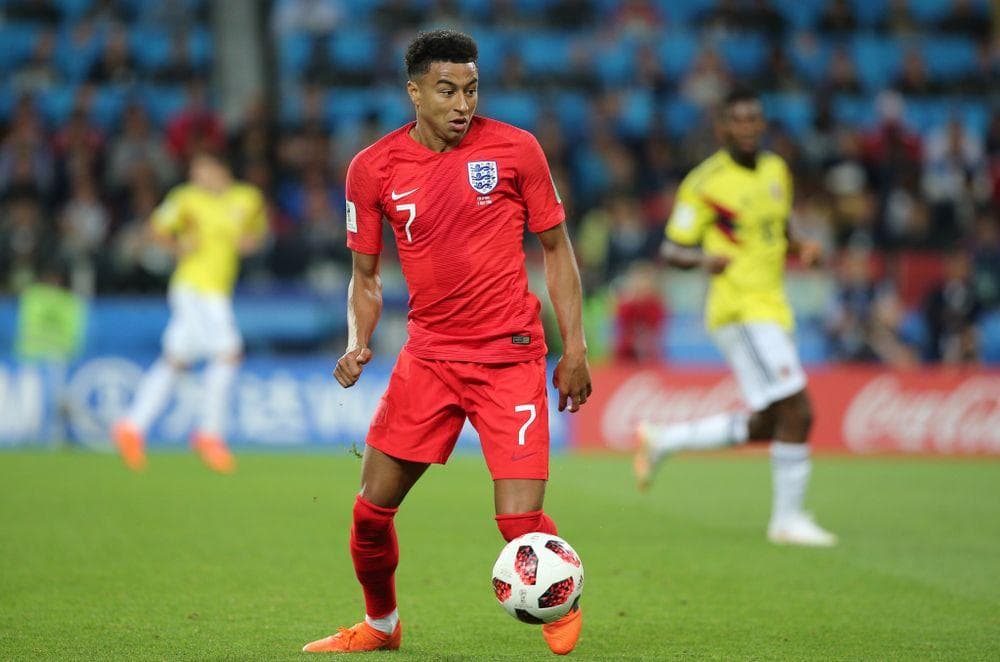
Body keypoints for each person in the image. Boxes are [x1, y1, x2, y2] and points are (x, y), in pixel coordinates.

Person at [301, 30, 592, 655]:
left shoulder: (516, 149)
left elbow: (556, 248)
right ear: (414, 92)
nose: (463, 104)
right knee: (369, 515)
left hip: (509, 356)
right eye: (447, 90)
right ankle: (382, 626)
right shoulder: (372, 169)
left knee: (518, 523)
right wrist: (357, 340)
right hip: (429, 359)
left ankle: (561, 594)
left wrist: (575, 349)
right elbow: (365, 277)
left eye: (471, 89)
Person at [633, 87, 837, 547]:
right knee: (799, 409)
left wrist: (801, 246)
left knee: (770, 421)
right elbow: (672, 249)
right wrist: (705, 260)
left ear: (762, 124)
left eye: (753, 119)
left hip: (773, 306)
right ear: (722, 127)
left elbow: (777, 226)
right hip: (739, 309)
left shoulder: (776, 169)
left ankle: (663, 439)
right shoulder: (705, 182)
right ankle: (787, 521)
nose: (747, 128)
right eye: (738, 120)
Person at [111, 150, 267, 473]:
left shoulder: (247, 198)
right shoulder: (185, 199)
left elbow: (258, 232)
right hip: (195, 288)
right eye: (195, 172)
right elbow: (154, 230)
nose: (198, 178)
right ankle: (209, 433)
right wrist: (177, 246)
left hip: (218, 290)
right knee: (229, 353)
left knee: (176, 360)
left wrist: (250, 242)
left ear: (221, 170)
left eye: (203, 170)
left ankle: (131, 426)